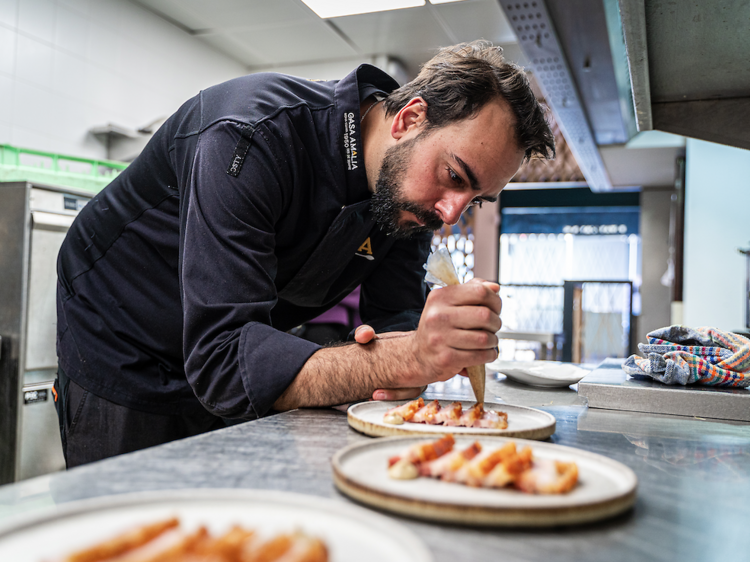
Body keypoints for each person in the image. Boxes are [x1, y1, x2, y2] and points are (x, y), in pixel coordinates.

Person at [54, 41, 554, 467]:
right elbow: (224, 361)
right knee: (129, 525)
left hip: (225, 349)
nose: (452, 213)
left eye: (476, 199)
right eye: (454, 177)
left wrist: (441, 345)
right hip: (122, 333)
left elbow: (396, 324)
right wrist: (405, 358)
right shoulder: (252, 136)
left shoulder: (406, 201)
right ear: (409, 117)